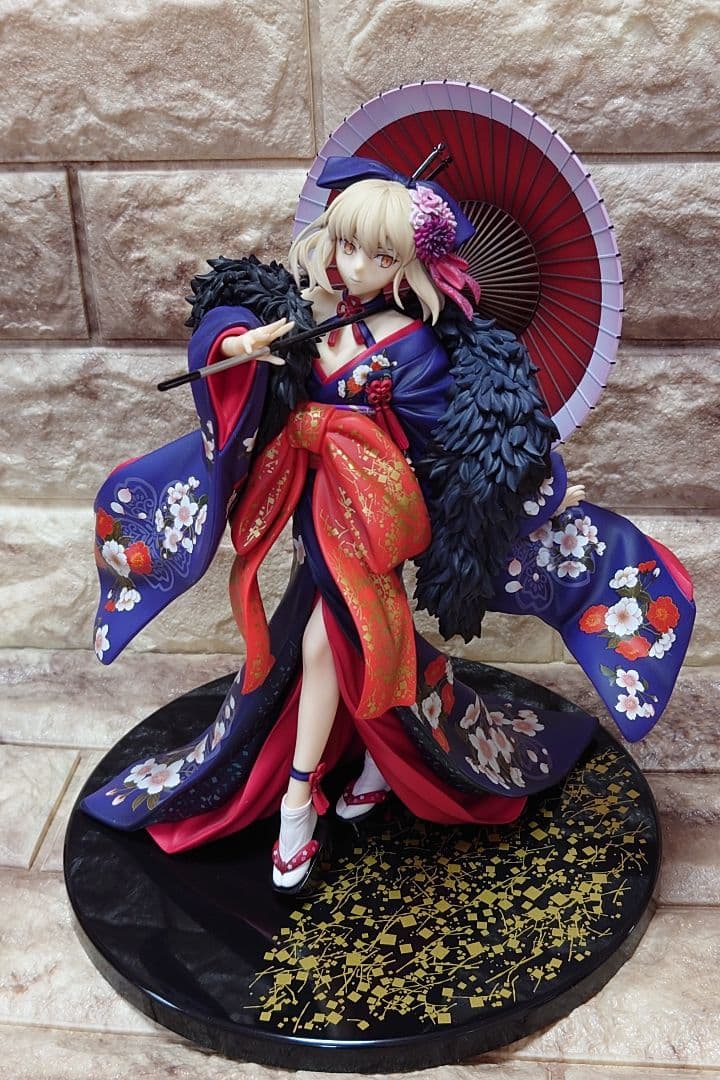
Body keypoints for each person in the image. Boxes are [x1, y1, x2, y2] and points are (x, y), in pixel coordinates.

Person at [83, 157, 694, 893]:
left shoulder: (412, 345)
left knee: (324, 644)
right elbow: (229, 319)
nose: (354, 265)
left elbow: (452, 446)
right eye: (346, 245)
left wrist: (537, 493)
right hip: (312, 503)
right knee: (352, 641)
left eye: (378, 255)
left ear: (407, 264)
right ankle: (380, 757)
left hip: (375, 518)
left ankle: (297, 802)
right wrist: (240, 347)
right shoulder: (310, 313)